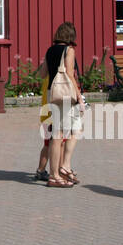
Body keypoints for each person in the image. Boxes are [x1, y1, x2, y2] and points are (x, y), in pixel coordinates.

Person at [44, 22, 85, 188]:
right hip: (66, 94)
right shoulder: (69, 50)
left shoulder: (49, 50)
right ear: (70, 36)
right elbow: (69, 74)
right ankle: (55, 175)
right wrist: (79, 97)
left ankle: (64, 167)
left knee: (71, 130)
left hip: (52, 93)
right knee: (60, 134)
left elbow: (42, 73)